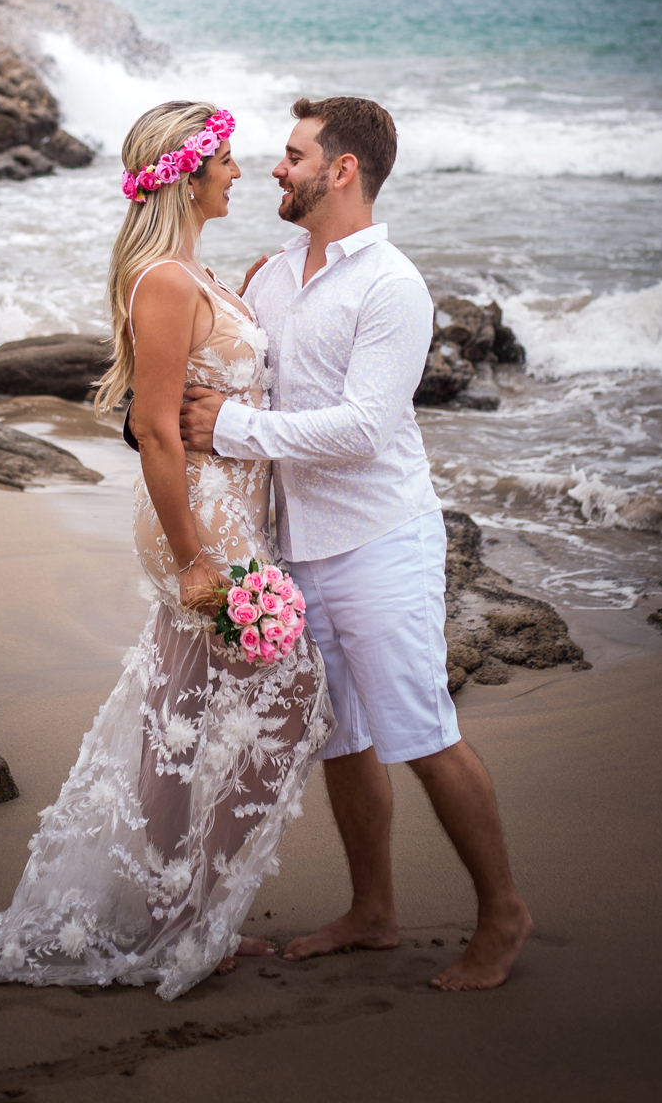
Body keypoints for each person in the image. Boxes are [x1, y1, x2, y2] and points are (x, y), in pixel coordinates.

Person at [0, 101, 332, 1001]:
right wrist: (192, 556)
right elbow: (155, 428)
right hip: (200, 516)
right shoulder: (165, 282)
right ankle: (188, 913)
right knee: (287, 695)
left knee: (184, 709)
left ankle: (179, 910)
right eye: (225, 159)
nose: (239, 172)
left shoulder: (195, 272)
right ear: (186, 173)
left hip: (227, 506)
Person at [179, 96, 533, 992]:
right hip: (296, 548)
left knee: (422, 734)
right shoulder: (270, 277)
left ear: (342, 170)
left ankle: (503, 913)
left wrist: (229, 430)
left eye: (293, 155)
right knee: (342, 738)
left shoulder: (391, 285)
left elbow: (365, 429)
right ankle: (373, 911)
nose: (276, 167)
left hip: (381, 540)